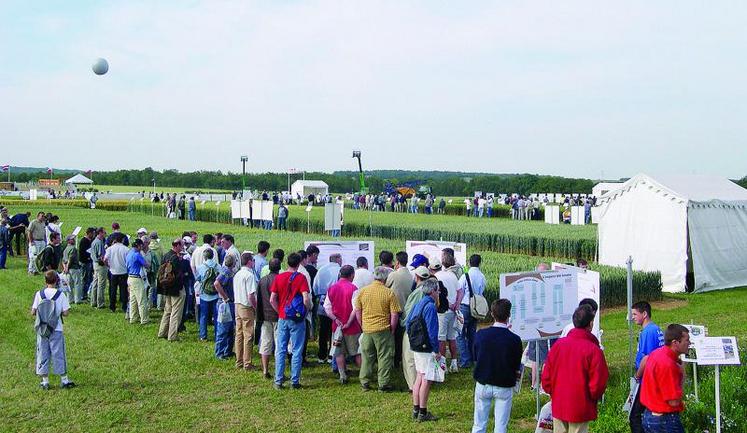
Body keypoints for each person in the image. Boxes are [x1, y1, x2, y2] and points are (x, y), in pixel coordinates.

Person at [541, 305, 609, 433]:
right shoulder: (593, 350)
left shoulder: (558, 346)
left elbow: (546, 373)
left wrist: (552, 392)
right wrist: (592, 397)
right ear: (590, 324)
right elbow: (599, 381)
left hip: (559, 402)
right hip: (581, 404)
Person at [471, 299, 522, 433]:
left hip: (483, 381)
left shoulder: (481, 334)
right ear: (509, 315)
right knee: (501, 425)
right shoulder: (515, 340)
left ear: (492, 314)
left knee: (479, 423)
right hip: (504, 384)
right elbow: (517, 364)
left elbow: (475, 356)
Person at [354, 266, 401, 392]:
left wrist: (362, 324)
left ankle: (364, 381)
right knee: (384, 357)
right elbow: (395, 314)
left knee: (367, 357)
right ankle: (383, 383)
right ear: (385, 278)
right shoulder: (389, 293)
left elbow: (357, 310)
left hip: (367, 329)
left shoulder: (363, 291)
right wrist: (392, 328)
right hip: (383, 329)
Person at [270, 252, 312, 389]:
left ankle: (278, 380)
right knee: (297, 349)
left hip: (283, 317)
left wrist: (279, 311)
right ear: (299, 263)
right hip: (297, 319)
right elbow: (306, 298)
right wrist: (305, 312)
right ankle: (295, 381)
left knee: (281, 349)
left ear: (287, 263)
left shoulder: (279, 277)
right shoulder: (301, 278)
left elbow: (272, 299)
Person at [640, 324, 690, 433]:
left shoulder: (657, 353)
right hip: (664, 420)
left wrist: (637, 376)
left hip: (649, 414)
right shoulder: (668, 365)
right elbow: (673, 401)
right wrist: (682, 375)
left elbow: (645, 359)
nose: (689, 343)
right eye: (687, 340)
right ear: (675, 343)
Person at [32, 270, 75, 390]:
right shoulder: (60, 295)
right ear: (57, 281)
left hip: (42, 329)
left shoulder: (39, 294)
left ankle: (45, 381)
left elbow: (33, 311)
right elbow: (66, 313)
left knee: (42, 352)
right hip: (56, 328)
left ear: (45, 281)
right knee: (58, 353)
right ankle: (64, 380)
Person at [406, 278, 441, 422]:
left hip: (416, 345)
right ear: (433, 291)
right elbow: (432, 332)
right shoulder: (431, 307)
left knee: (419, 377)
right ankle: (423, 411)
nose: (439, 293)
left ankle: (416, 409)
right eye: (438, 290)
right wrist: (436, 350)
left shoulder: (419, 303)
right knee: (427, 379)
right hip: (426, 347)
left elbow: (408, 323)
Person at [323, 264, 362, 384]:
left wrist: (335, 319)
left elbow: (327, 307)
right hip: (352, 327)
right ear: (352, 275)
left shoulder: (332, 288)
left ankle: (342, 375)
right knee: (357, 352)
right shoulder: (354, 288)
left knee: (339, 352)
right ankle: (362, 374)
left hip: (337, 327)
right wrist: (349, 322)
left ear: (340, 274)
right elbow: (356, 308)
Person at [630, 301, 665, 433]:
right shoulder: (656, 329)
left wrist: (637, 375)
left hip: (647, 380)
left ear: (644, 314)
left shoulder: (648, 332)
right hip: (654, 379)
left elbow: (647, 358)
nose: (632, 317)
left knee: (635, 416)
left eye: (635, 314)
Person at [401, 266, 432, 391]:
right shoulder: (430, 290)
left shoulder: (416, 293)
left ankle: (413, 385)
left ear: (417, 277)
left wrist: (403, 323)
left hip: (413, 329)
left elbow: (408, 312)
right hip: (425, 330)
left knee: (410, 359)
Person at [433, 257, 463, 372]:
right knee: (452, 338)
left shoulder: (437, 277)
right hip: (453, 312)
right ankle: (454, 363)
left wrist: (450, 304)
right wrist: (457, 304)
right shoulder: (452, 275)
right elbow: (460, 291)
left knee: (441, 338)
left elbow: (439, 295)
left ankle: (443, 365)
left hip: (442, 312)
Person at [458, 254, 486, 368]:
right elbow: (482, 290)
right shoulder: (482, 276)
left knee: (460, 334)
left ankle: (465, 360)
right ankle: (474, 357)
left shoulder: (466, 275)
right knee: (472, 333)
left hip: (465, 306)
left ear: (469, 262)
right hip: (476, 308)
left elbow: (460, 291)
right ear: (480, 263)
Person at [386, 251, 413, 367]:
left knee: (393, 336)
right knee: (403, 337)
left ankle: (394, 359)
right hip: (407, 310)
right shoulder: (411, 275)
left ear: (397, 262)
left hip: (395, 310)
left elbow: (385, 287)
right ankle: (401, 357)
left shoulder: (393, 275)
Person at [313, 253, 342, 363]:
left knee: (323, 330)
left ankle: (321, 355)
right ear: (337, 259)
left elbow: (315, 287)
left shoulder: (321, 270)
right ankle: (332, 355)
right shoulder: (339, 270)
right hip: (334, 302)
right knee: (334, 330)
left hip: (322, 301)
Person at [157, 239, 186, 341]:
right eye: (182, 245)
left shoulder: (165, 255)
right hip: (176, 289)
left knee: (167, 311)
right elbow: (179, 274)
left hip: (166, 287)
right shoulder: (176, 258)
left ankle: (162, 332)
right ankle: (172, 335)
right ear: (177, 245)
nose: (183, 247)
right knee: (176, 312)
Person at [233, 252, 257, 370]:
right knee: (248, 335)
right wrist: (255, 307)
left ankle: (239, 361)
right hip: (246, 306)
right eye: (252, 260)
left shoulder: (237, 274)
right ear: (249, 262)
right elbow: (251, 295)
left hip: (237, 304)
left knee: (239, 333)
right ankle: (247, 362)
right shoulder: (249, 275)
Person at [258, 258, 281, 379]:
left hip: (265, 316)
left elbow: (259, 299)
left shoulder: (262, 280)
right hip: (278, 315)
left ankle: (265, 370)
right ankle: (278, 371)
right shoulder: (280, 280)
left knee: (266, 342)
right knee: (279, 344)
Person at [214, 254, 237, 360]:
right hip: (225, 303)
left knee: (229, 328)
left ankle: (227, 351)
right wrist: (226, 297)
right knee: (223, 328)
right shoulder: (226, 272)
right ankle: (220, 352)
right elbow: (217, 283)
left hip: (229, 303)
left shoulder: (228, 271)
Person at [196, 248, 220, 341]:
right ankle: (217, 334)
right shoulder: (217, 266)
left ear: (204, 257)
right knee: (216, 315)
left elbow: (198, 278)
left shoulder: (201, 267)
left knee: (204, 315)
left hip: (204, 294)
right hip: (215, 294)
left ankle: (203, 335)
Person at [126, 238, 150, 324]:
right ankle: (144, 319)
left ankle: (133, 318)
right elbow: (146, 265)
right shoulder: (137, 255)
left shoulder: (129, 253)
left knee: (133, 300)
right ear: (139, 246)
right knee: (141, 300)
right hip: (137, 278)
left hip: (130, 278)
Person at [105, 233, 129, 316]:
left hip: (113, 271)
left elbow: (105, 259)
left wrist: (108, 265)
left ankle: (112, 306)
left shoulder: (110, 249)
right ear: (122, 240)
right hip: (123, 271)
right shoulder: (126, 249)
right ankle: (124, 306)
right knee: (123, 290)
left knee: (113, 290)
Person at [90, 228, 108, 309]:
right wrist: (106, 263)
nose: (105, 234)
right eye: (104, 232)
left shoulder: (94, 241)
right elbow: (101, 255)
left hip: (95, 264)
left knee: (95, 283)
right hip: (100, 265)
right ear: (100, 233)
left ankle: (93, 301)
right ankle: (100, 303)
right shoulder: (99, 242)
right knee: (101, 284)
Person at [61, 235, 83, 303]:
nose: (74, 240)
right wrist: (67, 267)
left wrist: (65, 268)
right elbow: (71, 259)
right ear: (68, 240)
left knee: (69, 284)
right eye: (72, 239)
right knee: (77, 283)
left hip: (67, 269)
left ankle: (70, 299)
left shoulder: (65, 249)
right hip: (74, 268)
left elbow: (63, 260)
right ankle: (78, 300)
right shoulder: (73, 249)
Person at [78, 228, 95, 302]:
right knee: (84, 279)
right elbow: (82, 252)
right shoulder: (83, 241)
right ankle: (83, 295)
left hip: (89, 262)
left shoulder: (90, 240)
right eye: (93, 233)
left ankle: (86, 293)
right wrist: (88, 257)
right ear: (89, 233)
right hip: (85, 262)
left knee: (89, 279)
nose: (94, 235)